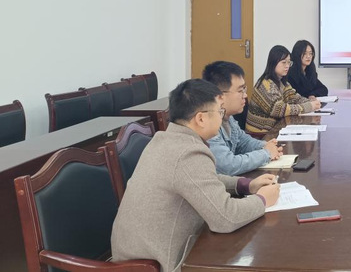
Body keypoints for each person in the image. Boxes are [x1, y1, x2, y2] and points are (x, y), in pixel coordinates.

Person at [111, 79, 280, 272]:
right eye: (220, 111)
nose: (222, 117)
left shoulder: (166, 139)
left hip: (139, 254)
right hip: (153, 265)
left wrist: (245, 185)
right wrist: (262, 200)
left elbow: (202, 180)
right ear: (200, 119)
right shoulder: (188, 152)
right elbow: (226, 218)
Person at [203, 61, 283, 175]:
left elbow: (243, 142)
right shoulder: (208, 123)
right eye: (240, 91)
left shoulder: (228, 117)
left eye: (244, 90)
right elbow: (228, 165)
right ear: (220, 95)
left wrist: (265, 146)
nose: (245, 95)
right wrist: (266, 153)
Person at [246, 45, 321, 134]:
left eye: (289, 62)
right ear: (273, 63)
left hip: (274, 129)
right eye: (283, 62)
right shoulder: (265, 84)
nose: (287, 66)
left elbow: (295, 98)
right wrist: (309, 106)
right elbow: (280, 110)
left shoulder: (282, 82)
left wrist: (311, 102)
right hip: (260, 134)